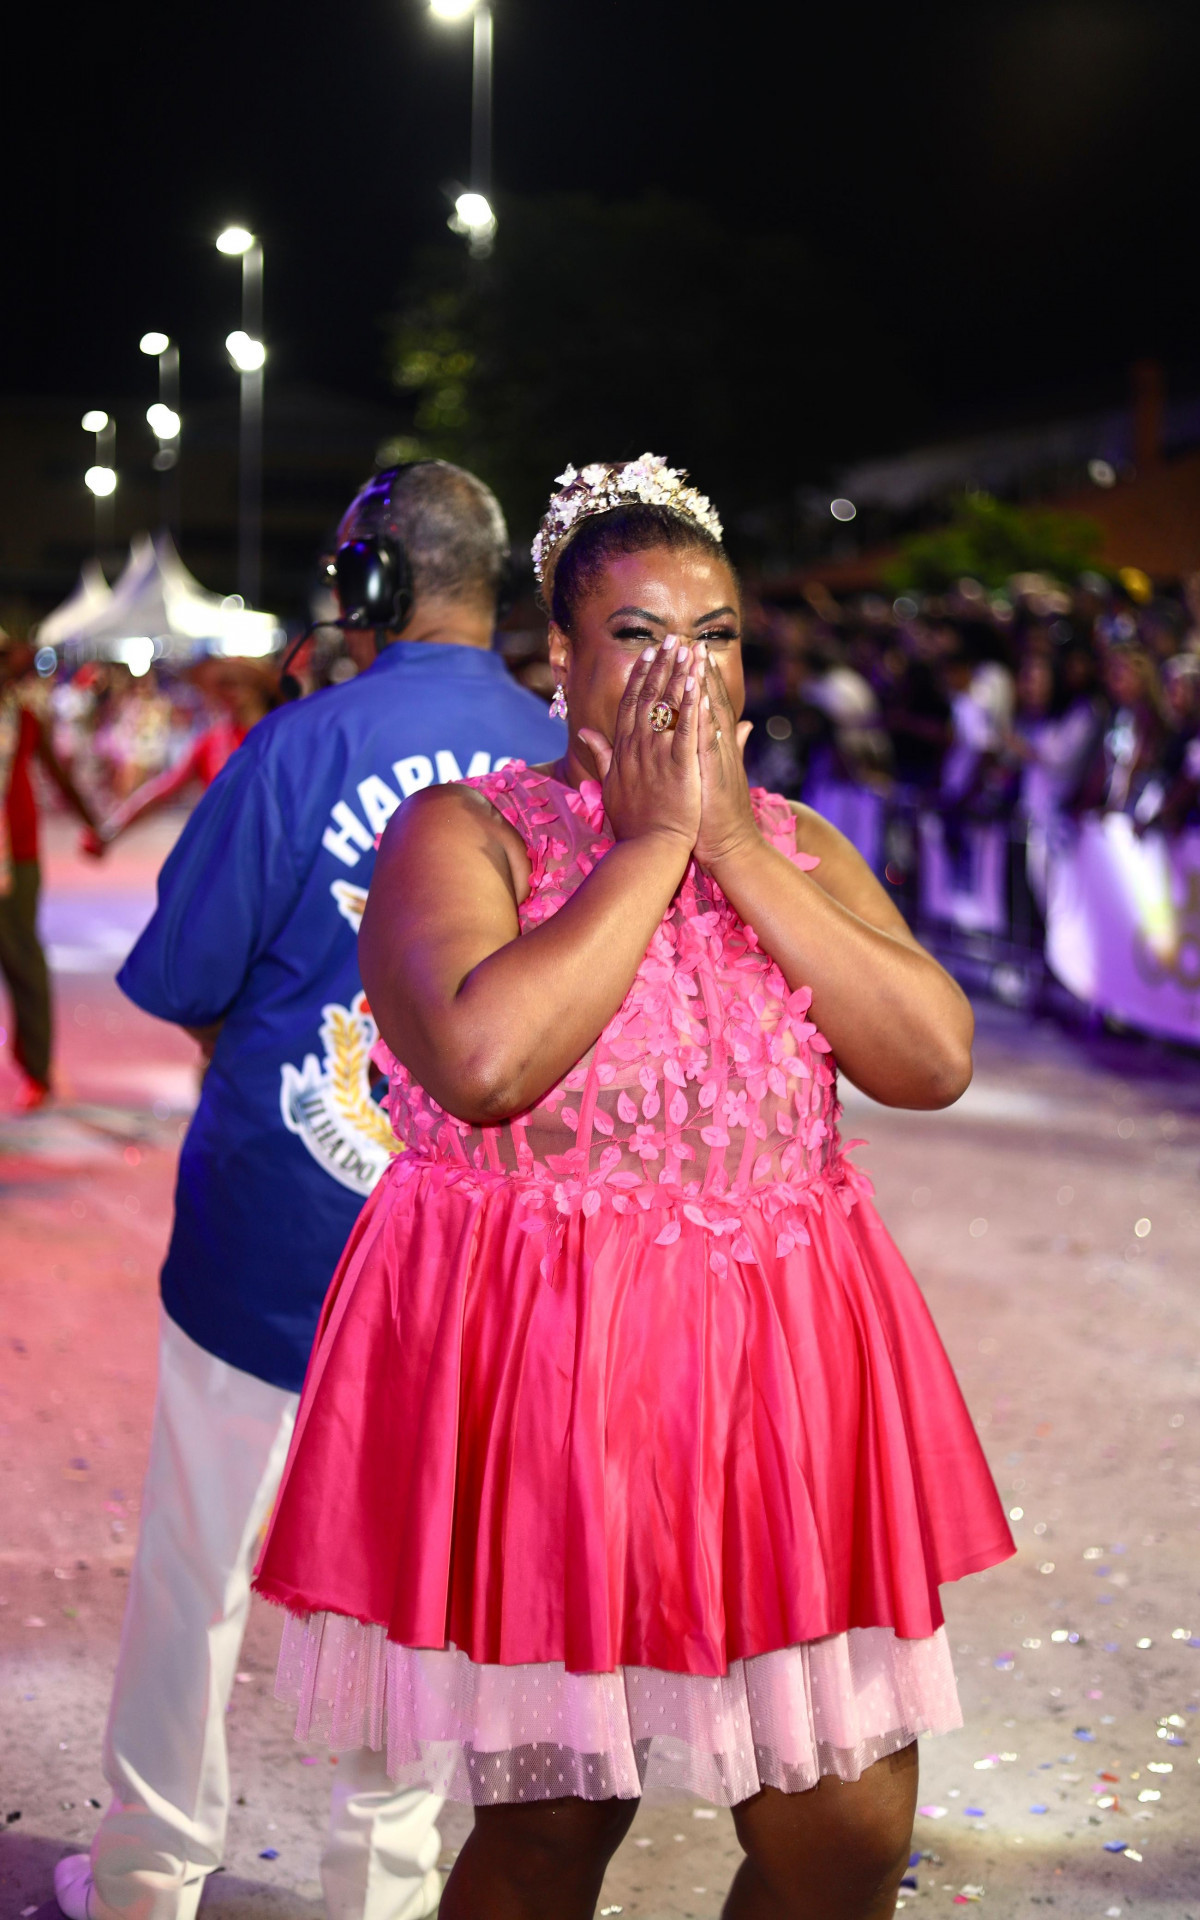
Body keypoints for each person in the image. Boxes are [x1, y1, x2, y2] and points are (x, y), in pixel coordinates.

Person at [253, 456, 1013, 1920]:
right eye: (643, 635)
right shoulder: (464, 832)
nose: (688, 671)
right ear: (560, 657)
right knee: (555, 1831)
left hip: (778, 1394)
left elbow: (930, 1057)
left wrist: (727, 841)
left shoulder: (796, 841)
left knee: (845, 1831)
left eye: (717, 635)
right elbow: (481, 1061)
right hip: (558, 1390)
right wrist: (655, 844)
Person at [54, 461, 565, 1920]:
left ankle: (151, 1874)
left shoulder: (296, 747)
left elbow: (187, 975)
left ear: (372, 585)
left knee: (199, 1571)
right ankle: (384, 1889)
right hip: (459, 1254)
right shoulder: (556, 760)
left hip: (275, 1229)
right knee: (412, 1601)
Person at [0, 630, 102, 1111]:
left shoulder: (23, 716)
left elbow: (58, 775)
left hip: (15, 856)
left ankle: (37, 1067)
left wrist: (93, 824)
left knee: (22, 961)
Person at [80, 659, 279, 856]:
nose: (229, 691)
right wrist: (112, 831)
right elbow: (163, 790)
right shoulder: (212, 742)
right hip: (228, 856)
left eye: (237, 682)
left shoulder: (283, 737)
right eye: (223, 684)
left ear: (259, 687)